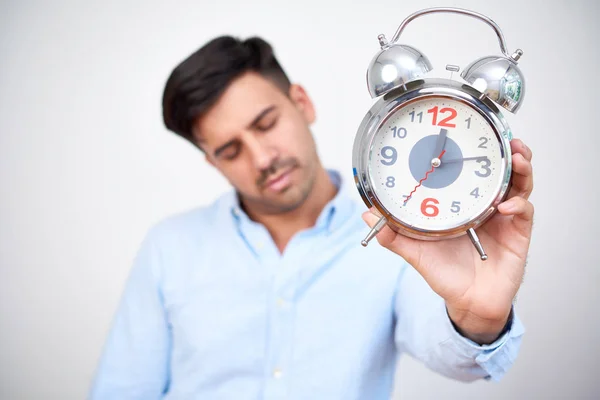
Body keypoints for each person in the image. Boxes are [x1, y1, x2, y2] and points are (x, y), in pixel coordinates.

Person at [89, 36, 534, 399]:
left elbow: (454, 357)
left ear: (301, 102)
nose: (262, 158)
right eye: (230, 150)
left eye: (265, 124)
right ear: (212, 162)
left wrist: (480, 313)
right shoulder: (170, 246)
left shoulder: (404, 238)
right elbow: (123, 389)